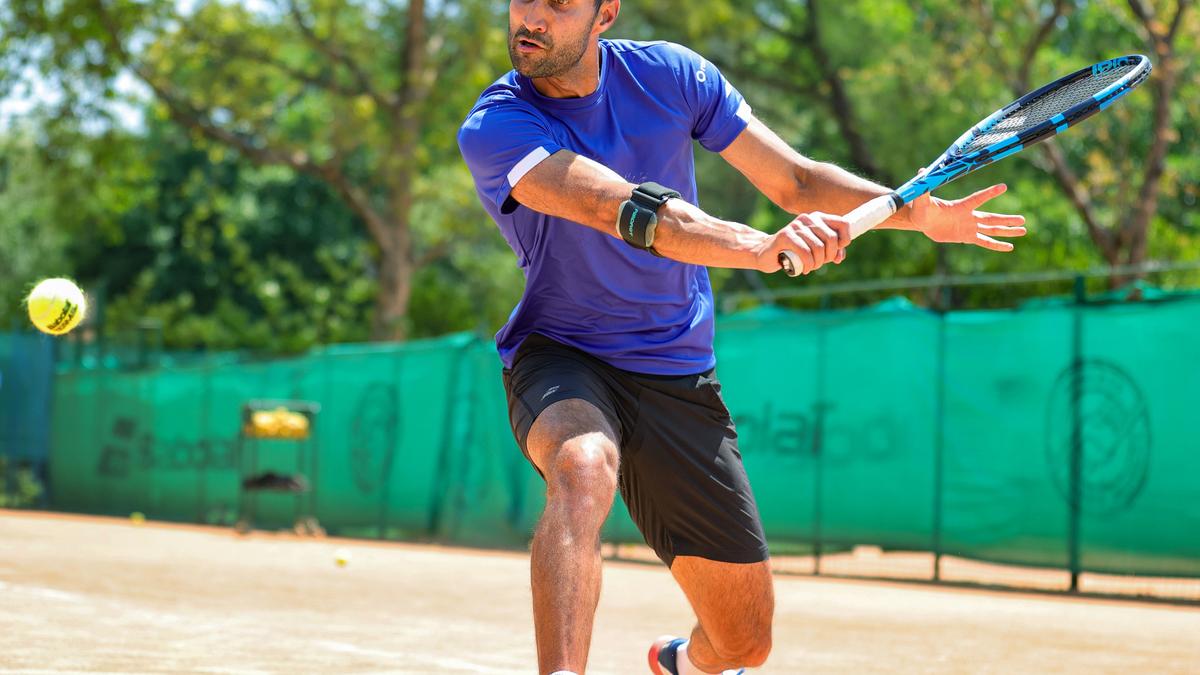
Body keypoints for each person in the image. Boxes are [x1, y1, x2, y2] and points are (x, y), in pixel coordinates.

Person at [457, 1, 1026, 673]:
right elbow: (621, 207)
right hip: (562, 353)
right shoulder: (496, 124)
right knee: (582, 467)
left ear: (605, 13)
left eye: (558, 3)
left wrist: (918, 212)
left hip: (676, 368)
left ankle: (681, 660)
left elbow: (798, 180)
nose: (532, 16)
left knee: (744, 641)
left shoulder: (673, 76)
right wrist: (761, 247)